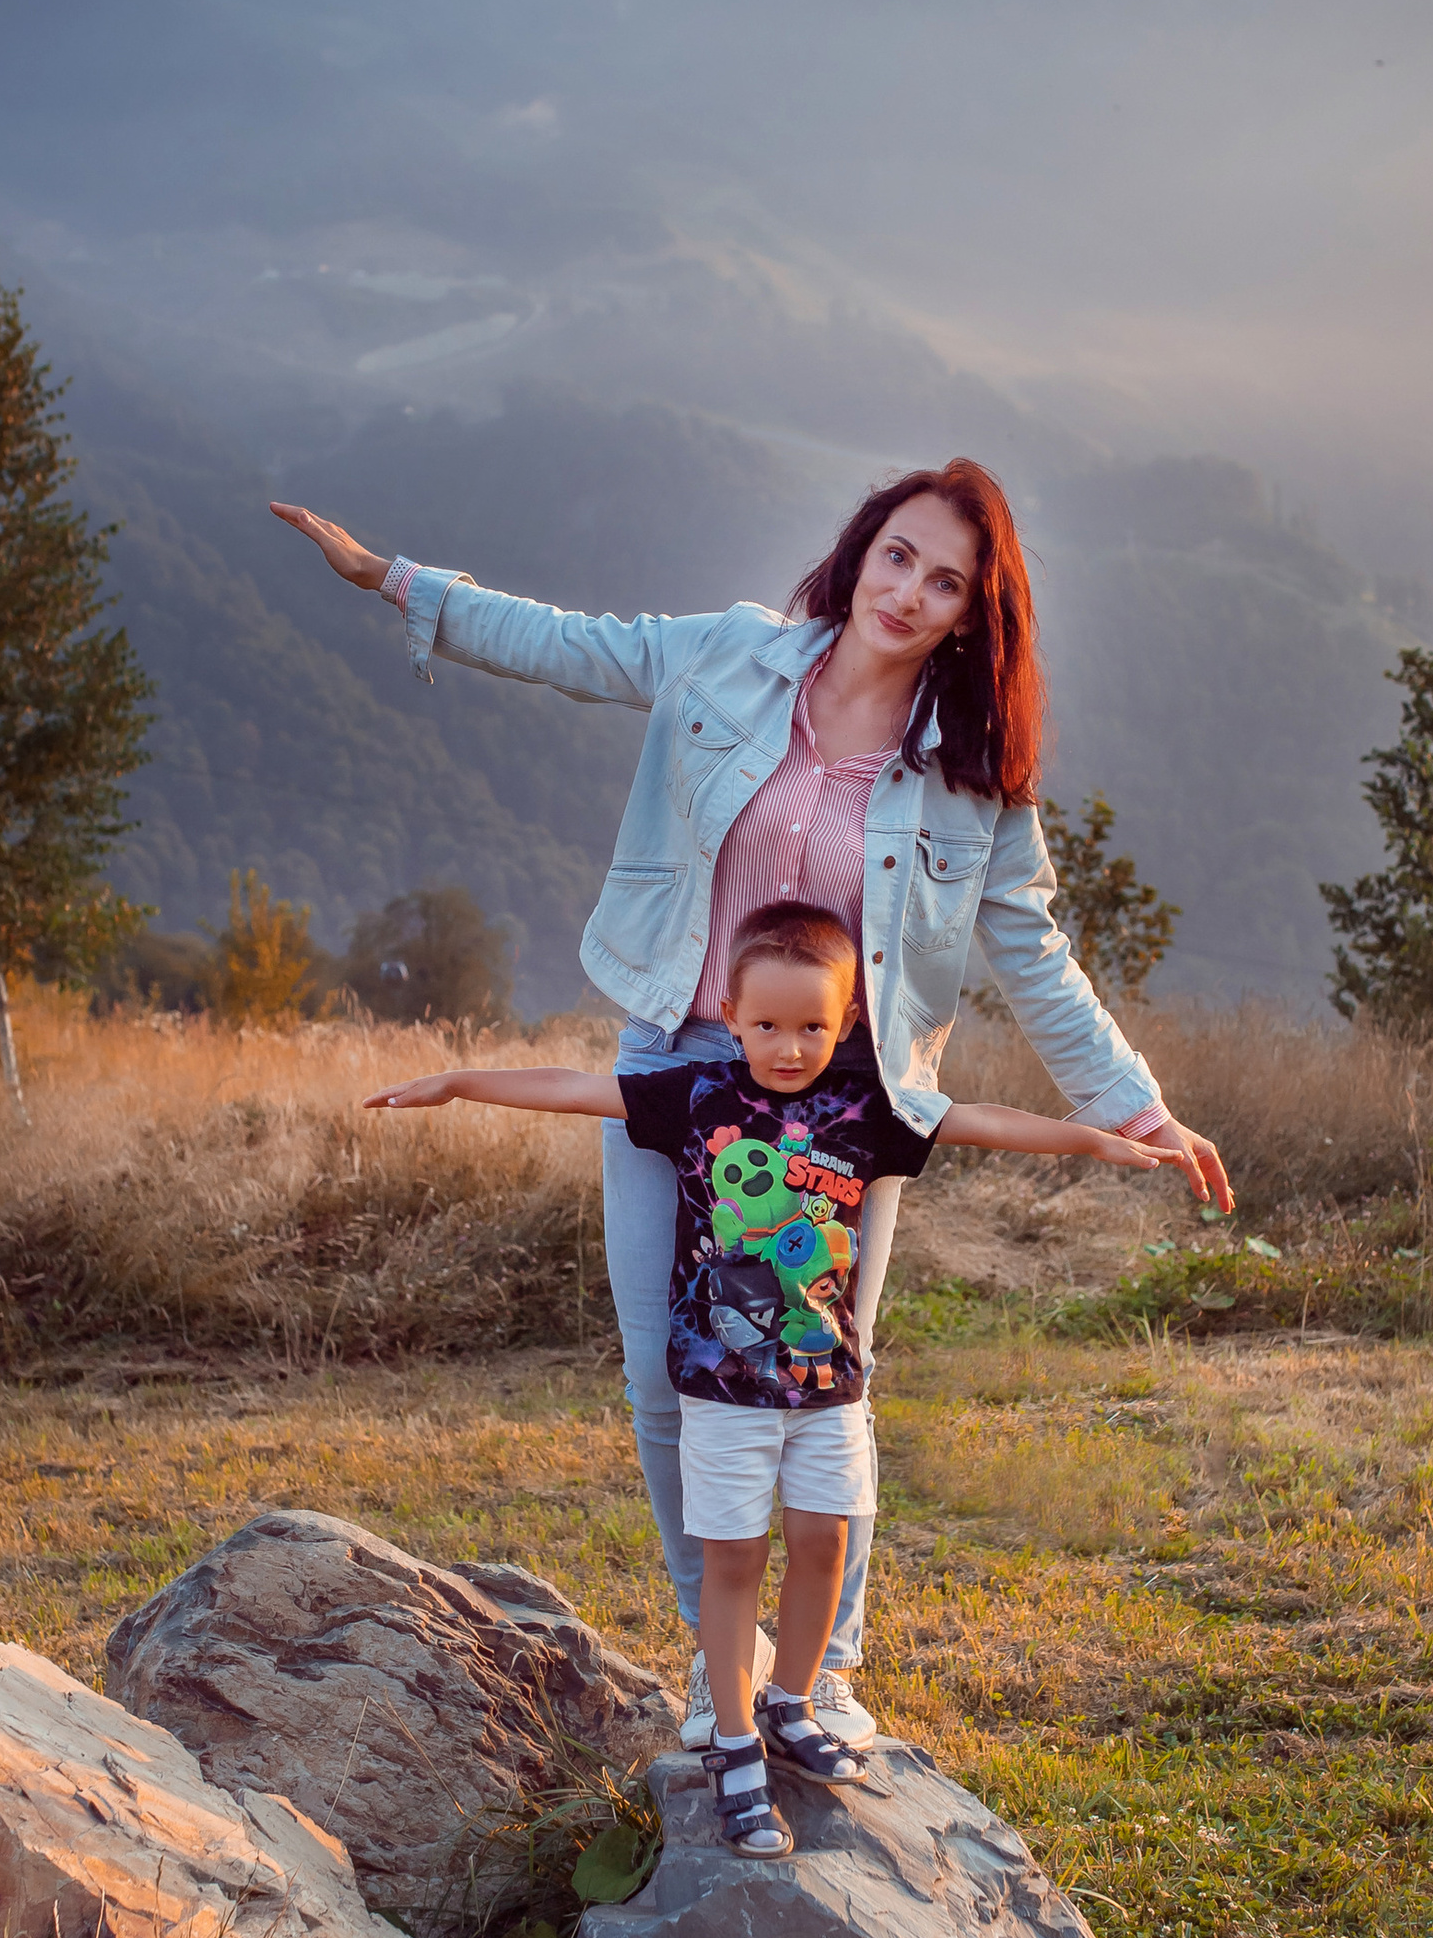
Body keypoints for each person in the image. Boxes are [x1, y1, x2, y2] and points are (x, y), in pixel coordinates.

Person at [272, 455, 1234, 1746]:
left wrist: (1135, 1107)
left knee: (828, 1383)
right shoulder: (729, 657)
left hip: (846, 1104)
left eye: (945, 580)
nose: (908, 590)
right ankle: (721, 1661)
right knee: (671, 1379)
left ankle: (818, 1677)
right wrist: (391, 579)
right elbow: (571, 645)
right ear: (859, 550)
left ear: (971, 614)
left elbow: (1036, 955)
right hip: (677, 1066)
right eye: (897, 554)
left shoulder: (971, 781)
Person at [367, 899, 1172, 1856]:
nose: (788, 1048)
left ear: (846, 1024)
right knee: (734, 1560)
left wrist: (1097, 1136)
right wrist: (459, 1081)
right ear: (731, 1012)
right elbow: (576, 1087)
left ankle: (792, 1700)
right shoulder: (700, 1096)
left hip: (827, 1382)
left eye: (812, 1027)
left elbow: (980, 1121)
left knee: (825, 1547)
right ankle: (738, 1742)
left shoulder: (867, 1109)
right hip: (721, 1389)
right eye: (766, 1025)